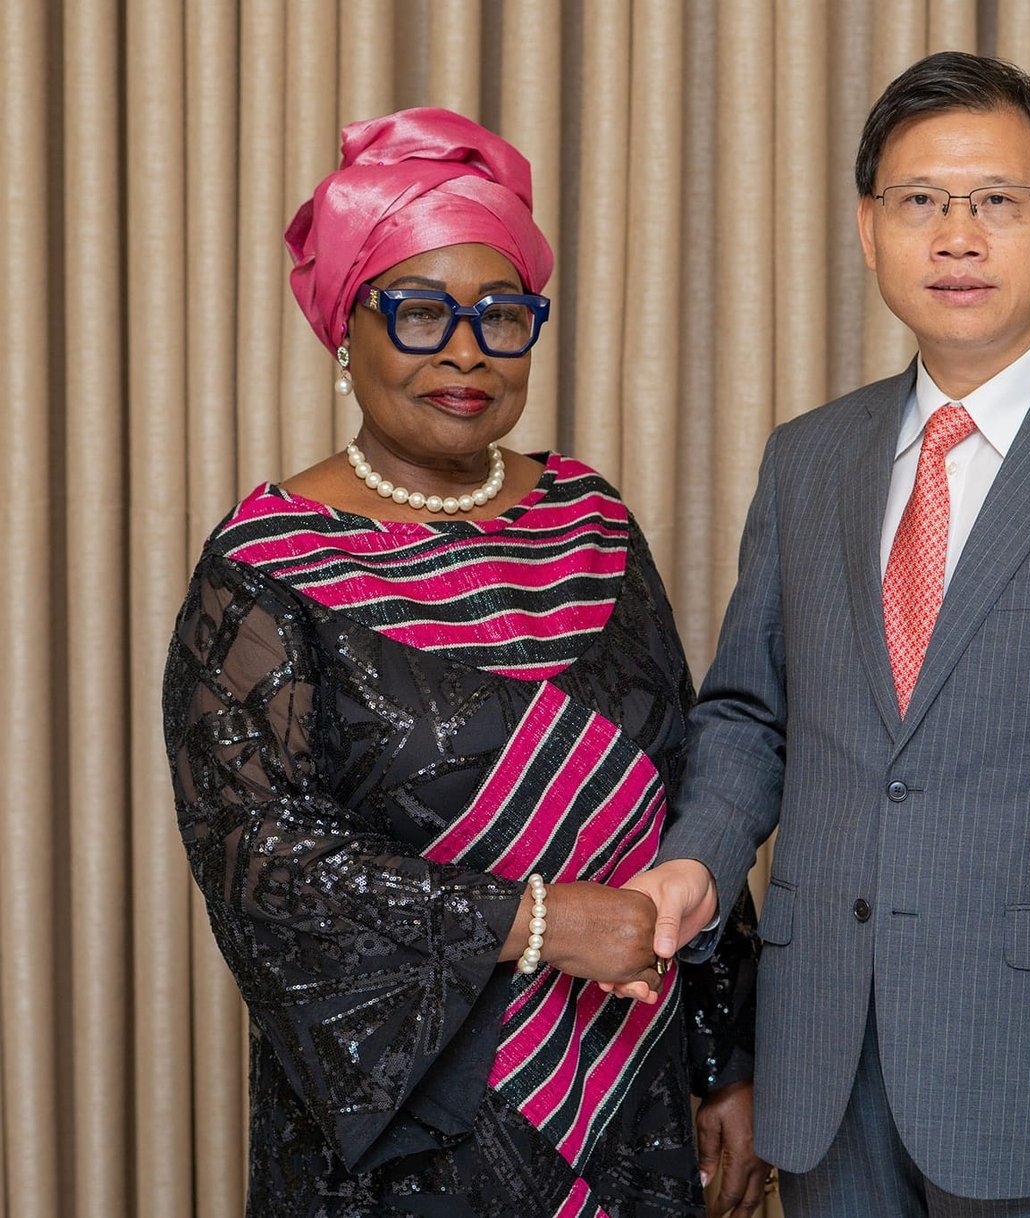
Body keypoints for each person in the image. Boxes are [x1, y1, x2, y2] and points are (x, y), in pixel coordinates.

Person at [623, 52, 1030, 1218]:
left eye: (997, 202)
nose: (956, 237)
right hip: (823, 1054)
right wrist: (697, 860)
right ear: (868, 230)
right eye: (920, 201)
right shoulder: (808, 457)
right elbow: (752, 712)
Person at [164, 107, 766, 1217]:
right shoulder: (265, 564)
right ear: (346, 330)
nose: (465, 350)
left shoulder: (591, 518)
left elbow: (684, 784)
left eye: (502, 315)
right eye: (420, 311)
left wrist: (729, 1055)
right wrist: (537, 922)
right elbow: (266, 864)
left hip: (628, 1082)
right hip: (414, 1129)